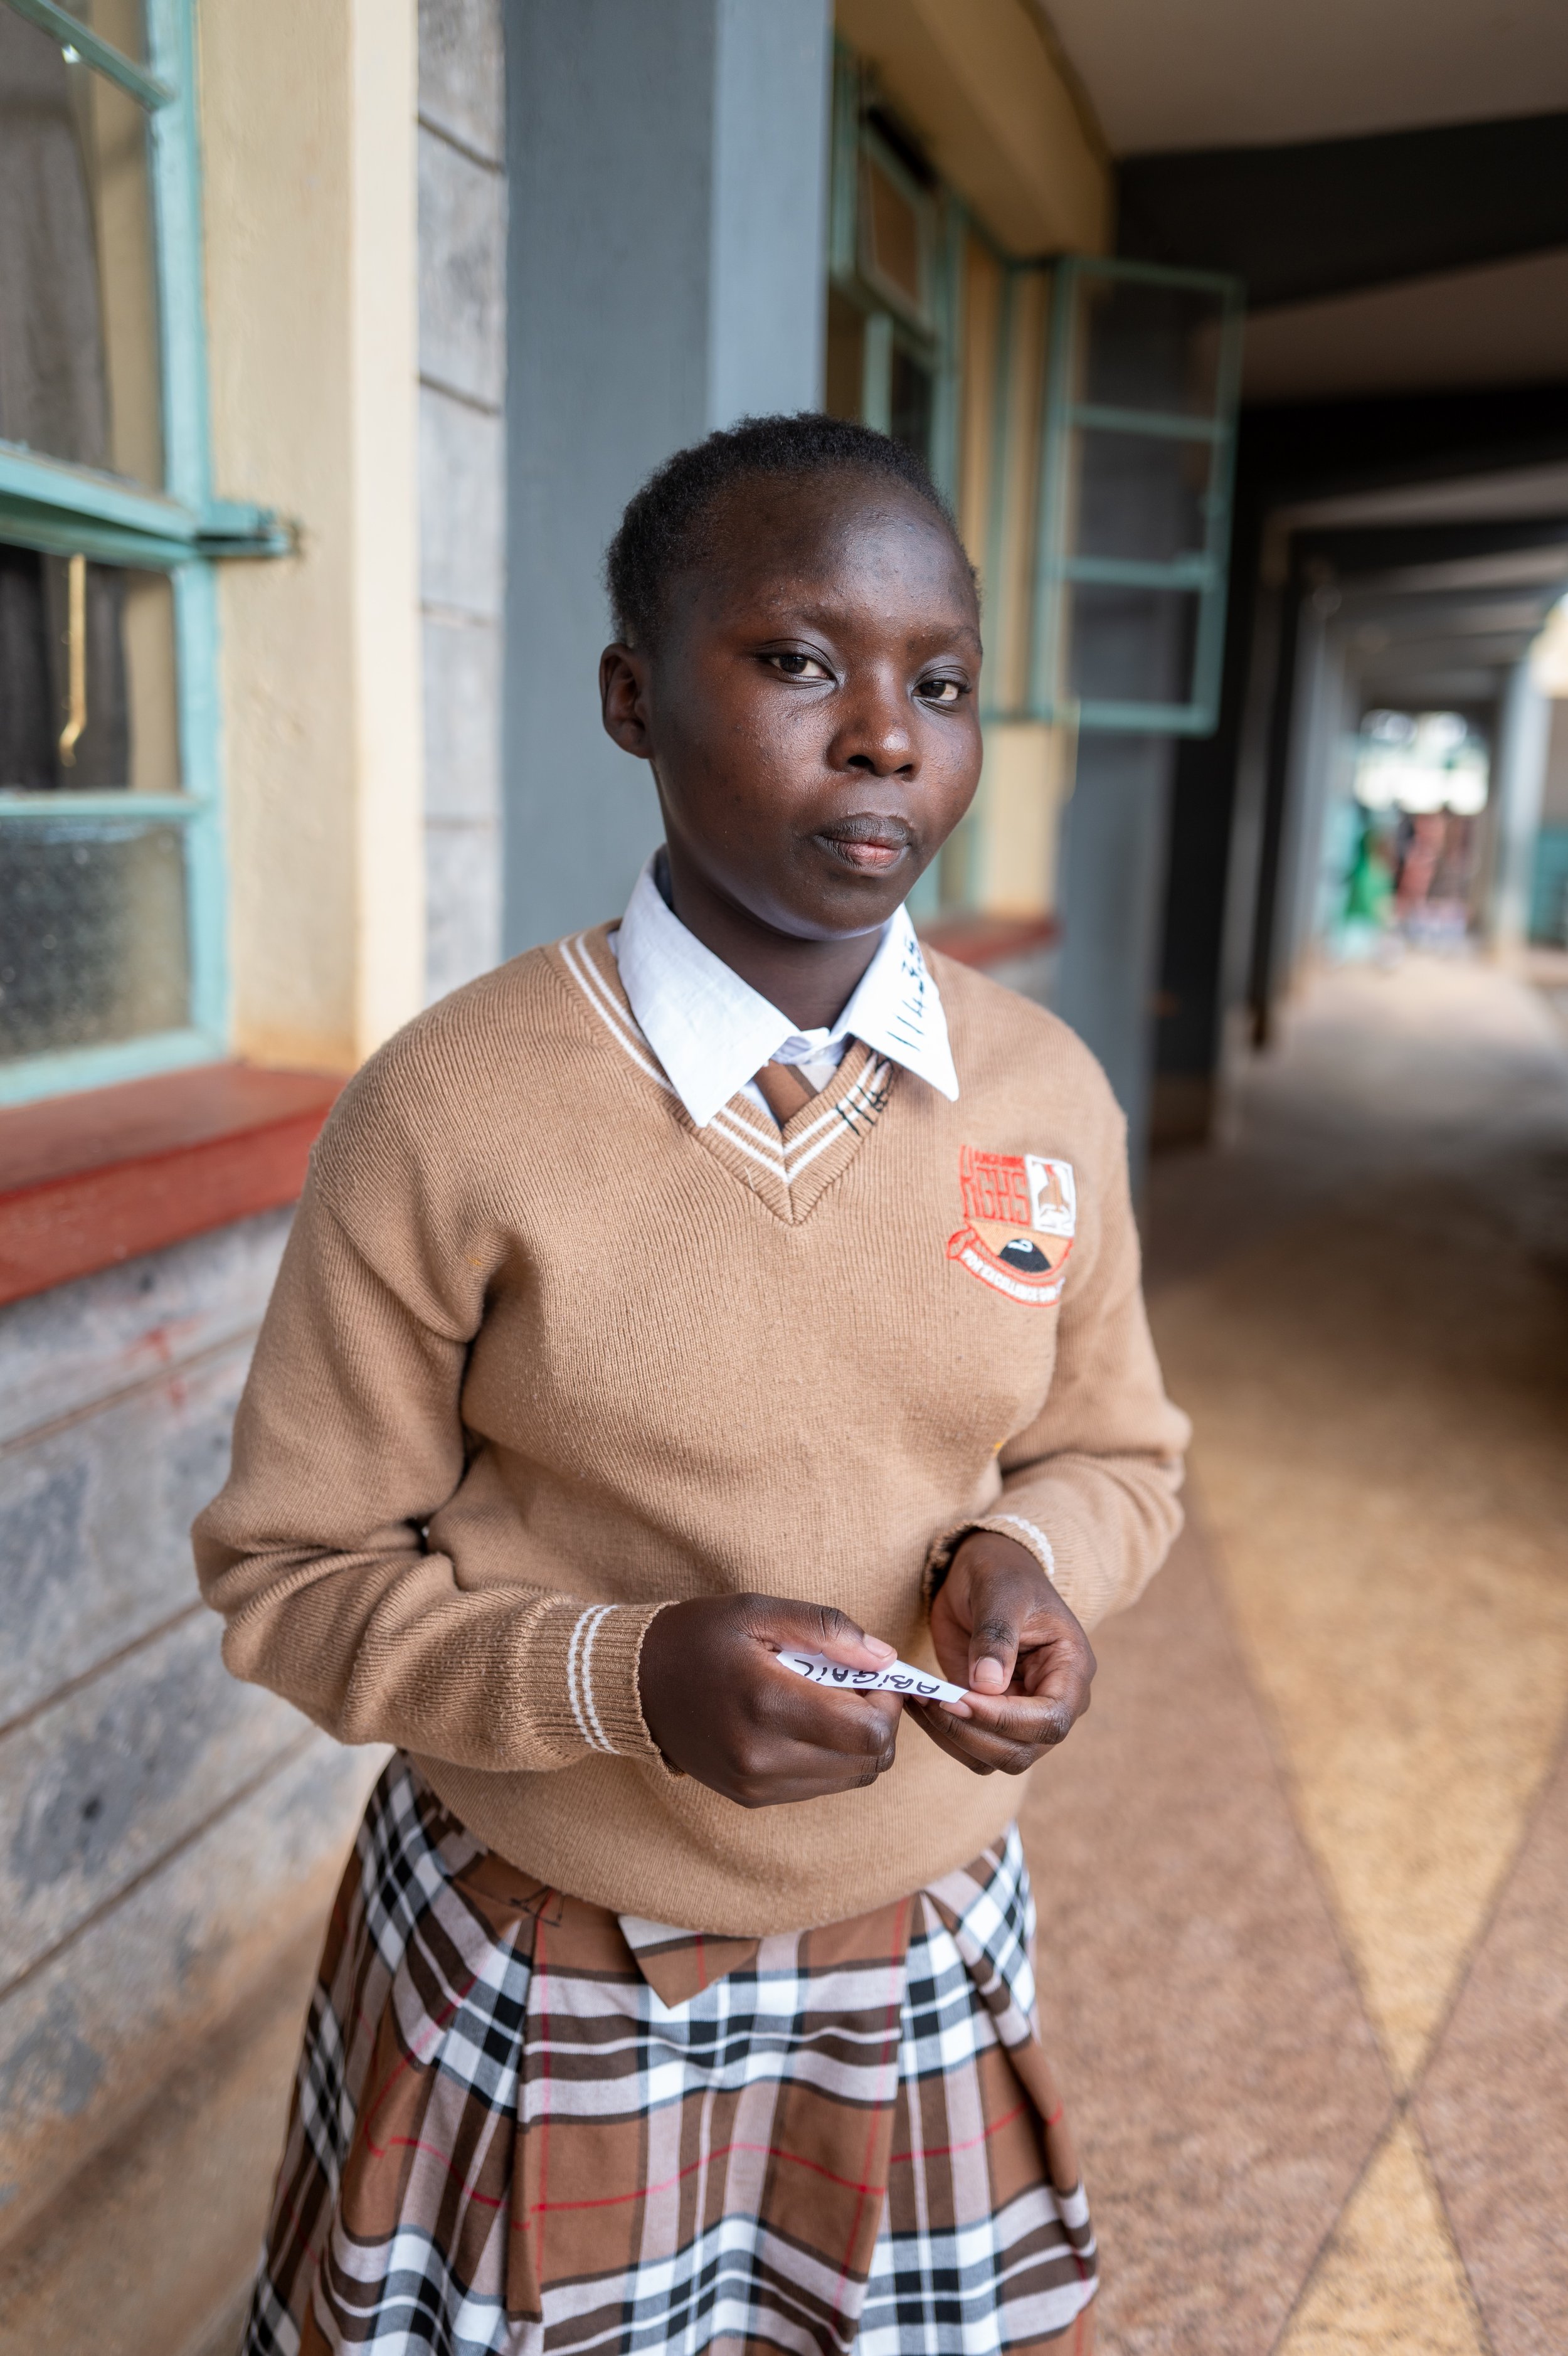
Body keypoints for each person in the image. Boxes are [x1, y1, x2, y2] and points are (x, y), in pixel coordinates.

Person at [194, 414, 1189, 2356]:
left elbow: (1111, 1445)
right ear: (631, 697)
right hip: (550, 1956)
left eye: (942, 681)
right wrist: (625, 1676)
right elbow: (291, 1574)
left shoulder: (1044, 1092)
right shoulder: (454, 1105)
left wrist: (1028, 1555)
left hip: (913, 1946)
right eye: (801, 660)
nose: (888, 734)